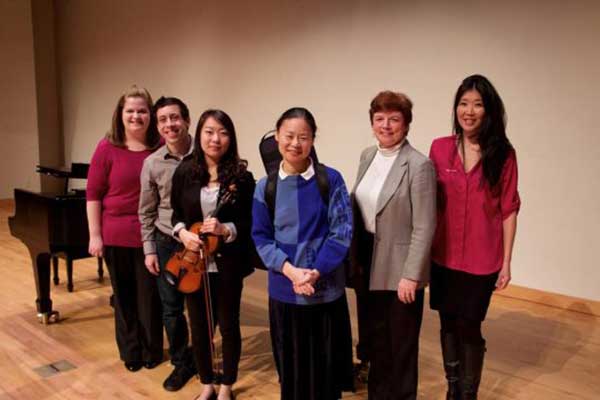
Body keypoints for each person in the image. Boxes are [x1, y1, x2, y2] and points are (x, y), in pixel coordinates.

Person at [252, 107, 354, 400]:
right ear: (277, 137)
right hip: (285, 290)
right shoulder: (265, 187)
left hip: (325, 290)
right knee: (292, 368)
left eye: (304, 137)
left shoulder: (331, 180)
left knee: (326, 369)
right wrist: (292, 272)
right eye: (289, 136)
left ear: (313, 140)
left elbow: (341, 233)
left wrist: (314, 272)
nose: (295, 143)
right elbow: (261, 238)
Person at [429, 74, 520, 400]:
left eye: (477, 104)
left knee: (469, 326)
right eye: (463, 103)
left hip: (482, 260)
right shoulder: (439, 149)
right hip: (443, 254)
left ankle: (468, 393)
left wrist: (507, 262)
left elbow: (509, 209)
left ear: (489, 110)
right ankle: (452, 388)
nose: (469, 111)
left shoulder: (503, 155)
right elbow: (429, 202)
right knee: (447, 322)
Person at [349, 91, 437, 400]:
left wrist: (411, 275)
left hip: (401, 267)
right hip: (368, 260)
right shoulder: (367, 155)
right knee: (375, 340)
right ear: (372, 122)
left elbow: (425, 225)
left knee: (401, 344)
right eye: (379, 119)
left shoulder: (419, 165)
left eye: (394, 119)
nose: (386, 125)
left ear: (407, 124)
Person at [171, 109, 254, 400]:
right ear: (199, 135)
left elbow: (248, 222)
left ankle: (227, 386)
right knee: (200, 327)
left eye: (222, 132)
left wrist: (224, 228)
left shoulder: (242, 177)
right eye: (209, 131)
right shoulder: (184, 172)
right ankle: (207, 383)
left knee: (229, 326)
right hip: (193, 263)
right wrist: (182, 233)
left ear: (230, 137)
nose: (215, 139)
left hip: (228, 264)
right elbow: (176, 215)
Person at [86, 85, 163, 372]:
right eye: (130, 110)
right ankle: (131, 351)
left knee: (150, 297)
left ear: (150, 114)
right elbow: (93, 194)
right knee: (125, 296)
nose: (136, 116)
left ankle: (152, 349)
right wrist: (95, 235)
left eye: (142, 111)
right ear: (120, 114)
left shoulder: (159, 147)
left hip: (150, 237)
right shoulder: (107, 148)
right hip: (116, 233)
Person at [138, 96, 196, 391]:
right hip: (166, 242)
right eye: (163, 120)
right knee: (171, 309)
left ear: (187, 119)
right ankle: (180, 361)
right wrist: (149, 250)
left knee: (200, 305)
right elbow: (146, 211)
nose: (170, 125)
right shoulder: (152, 163)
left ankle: (202, 357)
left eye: (175, 118)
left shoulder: (206, 153)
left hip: (200, 243)